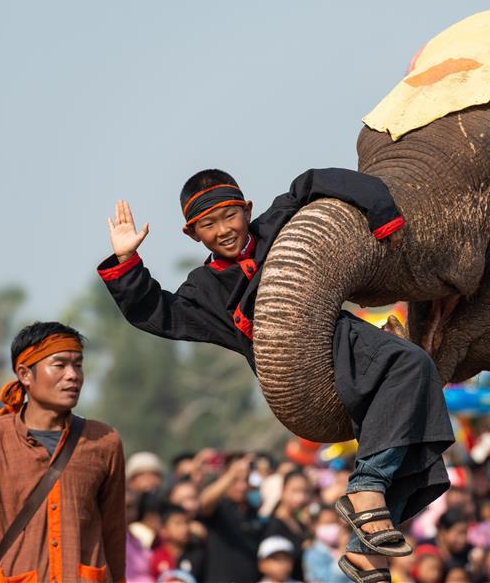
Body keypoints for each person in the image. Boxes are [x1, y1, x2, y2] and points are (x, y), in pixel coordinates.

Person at [98, 168, 454, 581]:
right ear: (192, 234)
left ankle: (363, 549)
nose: (224, 230)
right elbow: (157, 312)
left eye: (230, 215)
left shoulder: (278, 225)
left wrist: (382, 214)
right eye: (207, 225)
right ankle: (366, 485)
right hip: (295, 377)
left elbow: (313, 181)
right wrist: (127, 261)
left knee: (415, 409)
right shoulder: (203, 291)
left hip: (337, 335)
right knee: (411, 364)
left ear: (247, 210)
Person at [0, 321, 126, 582]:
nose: (73, 375)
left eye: (78, 364)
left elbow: (114, 532)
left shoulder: (104, 441)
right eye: (59, 365)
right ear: (25, 374)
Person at [197, 453, 262, 582]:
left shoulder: (253, 509)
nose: (242, 487)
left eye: (246, 480)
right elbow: (204, 502)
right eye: (236, 481)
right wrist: (233, 473)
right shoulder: (219, 506)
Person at [263, 470, 311, 581]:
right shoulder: (273, 525)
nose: (301, 497)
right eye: (295, 491)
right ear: (283, 490)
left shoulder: (301, 524)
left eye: (305, 492)